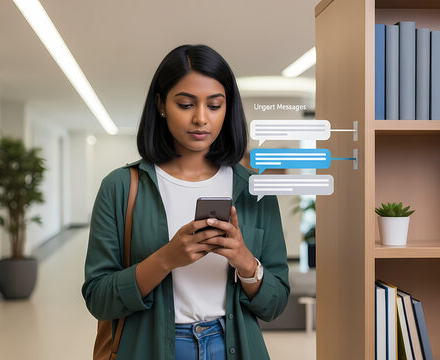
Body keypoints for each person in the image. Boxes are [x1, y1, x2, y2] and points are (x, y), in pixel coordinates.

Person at [82, 44, 289, 360]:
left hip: (233, 346)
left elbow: (275, 304)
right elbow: (98, 299)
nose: (201, 119)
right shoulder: (121, 187)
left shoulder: (255, 190)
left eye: (215, 105)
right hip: (150, 347)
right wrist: (166, 258)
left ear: (227, 108)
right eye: (186, 104)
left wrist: (244, 261)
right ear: (161, 105)